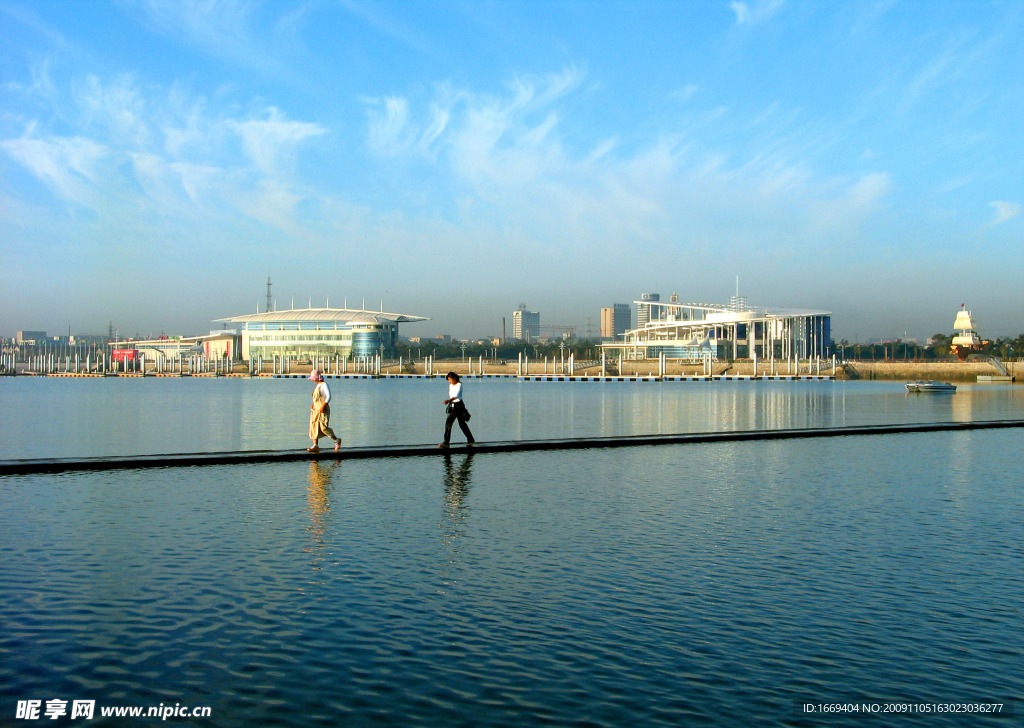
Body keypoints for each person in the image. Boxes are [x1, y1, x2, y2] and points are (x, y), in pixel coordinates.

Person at [307, 369, 341, 452]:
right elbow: (317, 398)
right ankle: (315, 445)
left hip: (323, 409)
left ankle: (336, 440)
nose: (312, 380)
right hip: (315, 410)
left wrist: (322, 407)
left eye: (313, 378)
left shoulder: (324, 385)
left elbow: (328, 397)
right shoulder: (317, 386)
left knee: (323, 427)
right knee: (314, 426)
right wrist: (313, 404)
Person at [439, 371, 475, 448]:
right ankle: (446, 442)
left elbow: (455, 395)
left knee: (462, 424)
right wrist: (449, 401)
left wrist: (448, 400)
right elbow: (451, 395)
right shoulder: (450, 386)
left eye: (450, 379)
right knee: (448, 424)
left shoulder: (459, 385)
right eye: (448, 380)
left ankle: (470, 440)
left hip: (459, 406)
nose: (450, 381)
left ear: (454, 378)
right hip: (452, 405)